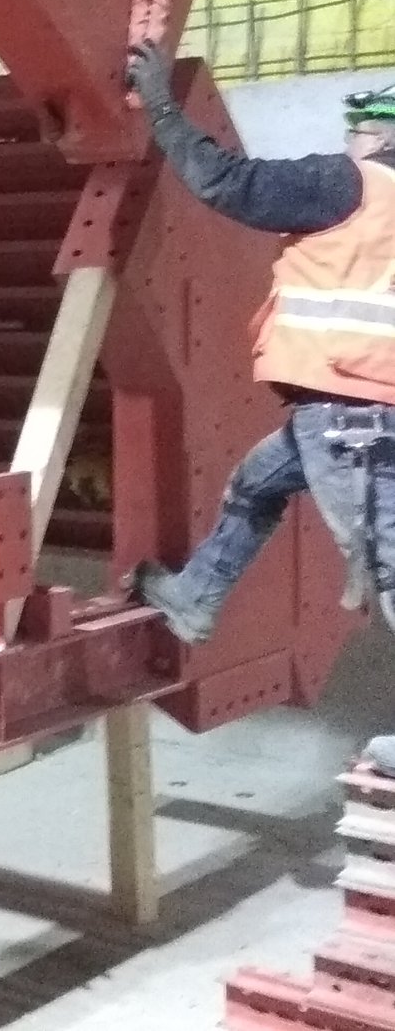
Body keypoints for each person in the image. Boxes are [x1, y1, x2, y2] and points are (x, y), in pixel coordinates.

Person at [129, 42, 395, 764]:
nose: (350, 141)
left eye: (362, 128)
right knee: (256, 483)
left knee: (388, 565)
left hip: (348, 416)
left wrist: (158, 103)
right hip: (351, 414)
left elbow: (225, 182)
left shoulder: (351, 186)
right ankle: (196, 596)